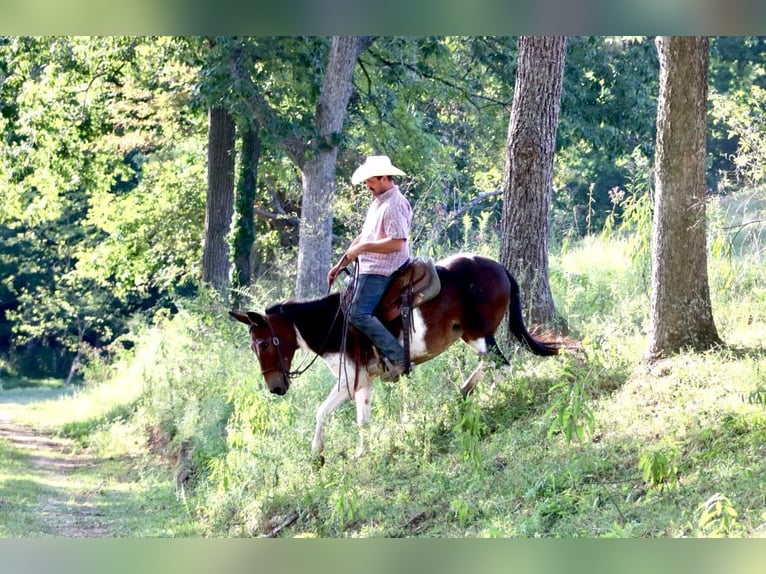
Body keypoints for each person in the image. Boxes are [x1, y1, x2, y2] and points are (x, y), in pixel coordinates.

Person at [327, 155, 413, 380]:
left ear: (384, 178)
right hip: (369, 265)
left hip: (384, 268)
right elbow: (364, 236)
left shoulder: (394, 203)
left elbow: (397, 243)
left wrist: (363, 247)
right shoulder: (379, 201)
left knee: (358, 313)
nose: (367, 186)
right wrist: (340, 264)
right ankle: (368, 357)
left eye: (370, 181)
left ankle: (398, 358)